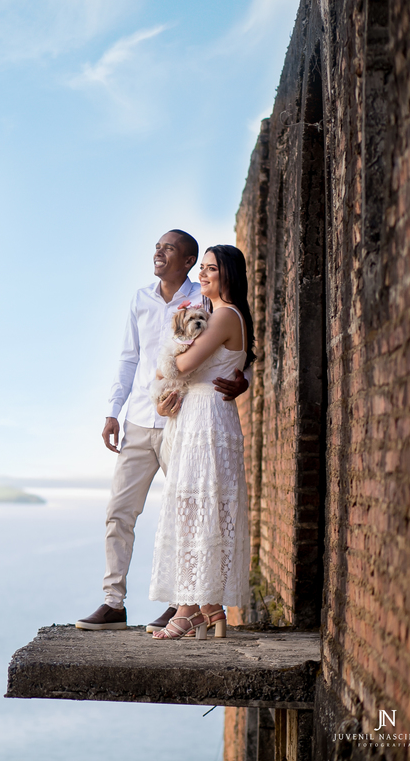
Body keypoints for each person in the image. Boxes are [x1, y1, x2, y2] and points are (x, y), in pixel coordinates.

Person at [75, 232, 248, 632]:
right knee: (120, 511)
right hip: (141, 415)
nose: (158, 252)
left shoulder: (207, 301)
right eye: (157, 246)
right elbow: (129, 358)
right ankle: (113, 603)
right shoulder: (140, 299)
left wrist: (243, 381)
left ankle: (181, 606)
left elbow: (234, 354)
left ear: (187, 260)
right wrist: (112, 411)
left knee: (190, 512)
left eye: (168, 248)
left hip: (186, 420)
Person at [148, 245, 255, 639]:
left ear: (228, 274)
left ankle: (190, 609)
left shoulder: (224, 315)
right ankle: (207, 608)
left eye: (211, 268)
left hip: (206, 420)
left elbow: (184, 364)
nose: (203, 274)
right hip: (199, 415)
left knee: (197, 509)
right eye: (203, 267)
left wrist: (165, 366)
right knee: (198, 510)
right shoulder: (217, 315)